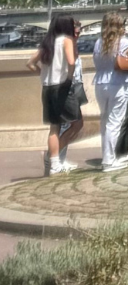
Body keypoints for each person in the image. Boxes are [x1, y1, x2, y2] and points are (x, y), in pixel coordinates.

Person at [30, 15, 84, 175]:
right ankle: (52, 156)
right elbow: (71, 62)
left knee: (54, 127)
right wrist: (69, 78)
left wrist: (43, 74)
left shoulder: (48, 43)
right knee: (77, 123)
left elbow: (30, 63)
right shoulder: (66, 40)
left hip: (47, 88)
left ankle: (54, 162)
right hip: (62, 87)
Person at [92, 13, 128, 173]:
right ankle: (109, 160)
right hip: (118, 83)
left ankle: (107, 157)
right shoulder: (124, 42)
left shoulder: (98, 42)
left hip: (100, 83)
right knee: (115, 122)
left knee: (105, 122)